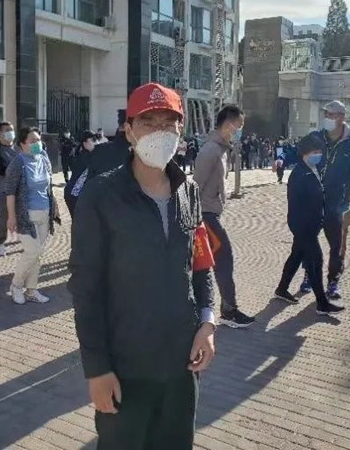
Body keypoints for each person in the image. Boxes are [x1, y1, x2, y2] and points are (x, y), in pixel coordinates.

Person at [68, 83, 216, 449]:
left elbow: (201, 264)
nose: (159, 131)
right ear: (129, 130)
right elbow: (86, 289)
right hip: (126, 368)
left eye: (169, 122)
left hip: (182, 366)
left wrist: (208, 321)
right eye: (148, 122)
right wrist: (97, 369)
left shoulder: (188, 191)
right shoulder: (101, 195)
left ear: (181, 129)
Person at [194, 105, 256, 328]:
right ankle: (228, 310)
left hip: (211, 213)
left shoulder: (221, 149)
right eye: (239, 126)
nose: (240, 130)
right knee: (223, 257)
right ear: (229, 125)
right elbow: (195, 186)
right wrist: (195, 219)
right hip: (205, 215)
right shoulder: (210, 151)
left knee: (206, 264)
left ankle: (209, 308)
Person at [301, 100, 350, 300]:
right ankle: (309, 275)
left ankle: (333, 281)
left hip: (338, 202)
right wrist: (280, 159)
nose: (328, 118)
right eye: (326, 115)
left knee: (337, 245)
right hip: (313, 200)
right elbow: (297, 156)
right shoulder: (315, 138)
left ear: (342, 117)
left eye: (331, 115)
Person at [273, 134, 345, 316]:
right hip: (304, 226)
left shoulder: (313, 169)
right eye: (314, 152)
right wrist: (304, 227)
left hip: (311, 224)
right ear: (305, 153)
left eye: (320, 151)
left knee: (296, 256)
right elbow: (296, 205)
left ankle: (281, 289)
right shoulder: (299, 174)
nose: (318, 155)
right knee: (316, 260)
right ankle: (322, 303)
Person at [5, 127, 60, 304]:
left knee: (38, 254)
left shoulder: (43, 157)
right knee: (32, 251)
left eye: (38, 140)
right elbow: (10, 192)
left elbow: (49, 186)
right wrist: (11, 216)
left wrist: (54, 209)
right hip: (26, 215)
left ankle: (31, 290)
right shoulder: (18, 163)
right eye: (32, 141)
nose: (37, 144)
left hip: (44, 212)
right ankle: (16, 285)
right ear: (22, 144)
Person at [0, 122, 19, 256]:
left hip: (20, 189)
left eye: (12, 130)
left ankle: (23, 237)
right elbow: (1, 169)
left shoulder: (19, 147)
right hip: (3, 189)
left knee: (22, 214)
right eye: (7, 130)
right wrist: (18, 169)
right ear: (0, 134)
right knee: (3, 216)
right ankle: (0, 242)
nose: (10, 133)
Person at [63, 130, 96, 217]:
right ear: (85, 143)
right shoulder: (86, 157)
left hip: (73, 194)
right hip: (75, 195)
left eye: (95, 140)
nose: (95, 142)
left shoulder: (83, 154)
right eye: (92, 140)